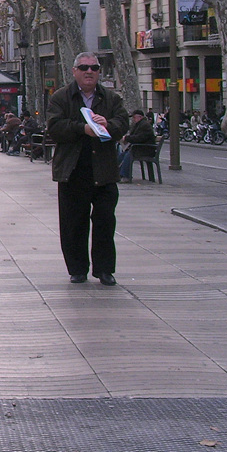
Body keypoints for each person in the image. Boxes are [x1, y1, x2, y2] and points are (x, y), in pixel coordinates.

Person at [46, 52, 128, 286]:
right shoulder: (61, 97)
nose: (89, 71)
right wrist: (83, 128)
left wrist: (107, 125)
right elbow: (54, 127)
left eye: (94, 67)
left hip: (104, 171)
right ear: (74, 71)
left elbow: (123, 123)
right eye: (84, 67)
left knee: (105, 222)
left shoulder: (112, 98)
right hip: (73, 171)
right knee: (73, 223)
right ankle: (77, 269)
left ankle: (104, 270)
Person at [118, 109, 156, 182]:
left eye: (134, 117)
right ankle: (118, 174)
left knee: (128, 155)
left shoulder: (145, 125)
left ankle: (125, 175)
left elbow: (139, 138)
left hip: (145, 149)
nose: (133, 119)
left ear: (140, 117)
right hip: (140, 148)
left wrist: (126, 138)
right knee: (122, 155)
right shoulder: (139, 125)